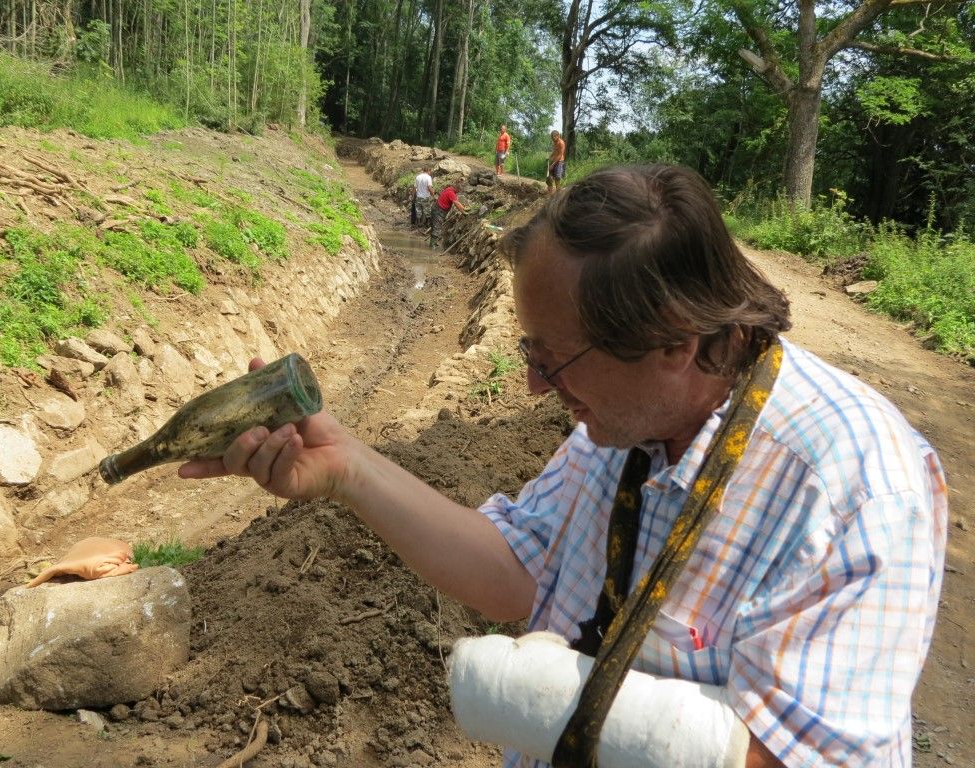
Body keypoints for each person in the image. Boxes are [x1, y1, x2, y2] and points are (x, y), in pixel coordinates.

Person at [178, 165, 947, 768]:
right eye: (527, 350)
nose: (535, 386)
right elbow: (521, 573)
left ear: (675, 341)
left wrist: (534, 702)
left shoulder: (857, 491)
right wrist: (346, 467)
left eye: (556, 358)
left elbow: (808, 760)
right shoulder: (622, 422)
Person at [429, 183, 468, 248]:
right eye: (459, 190)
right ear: (457, 189)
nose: (459, 192)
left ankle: (434, 242)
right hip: (439, 210)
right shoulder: (451, 193)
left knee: (436, 226)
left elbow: (457, 202)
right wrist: (464, 211)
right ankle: (432, 245)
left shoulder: (449, 189)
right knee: (437, 226)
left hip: (437, 208)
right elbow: (456, 203)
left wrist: (462, 208)